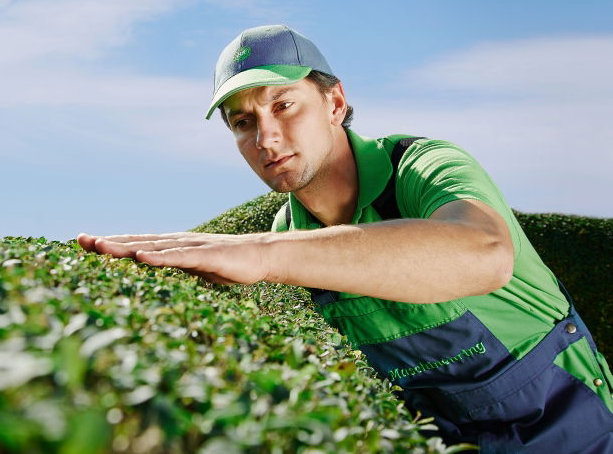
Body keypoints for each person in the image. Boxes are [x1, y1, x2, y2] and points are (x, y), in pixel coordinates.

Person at [78, 24, 613, 451]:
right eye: (242, 122)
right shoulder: (290, 231)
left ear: (334, 103)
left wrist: (261, 255)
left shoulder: (420, 166)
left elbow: (485, 255)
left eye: (283, 105)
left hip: (570, 422)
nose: (265, 138)